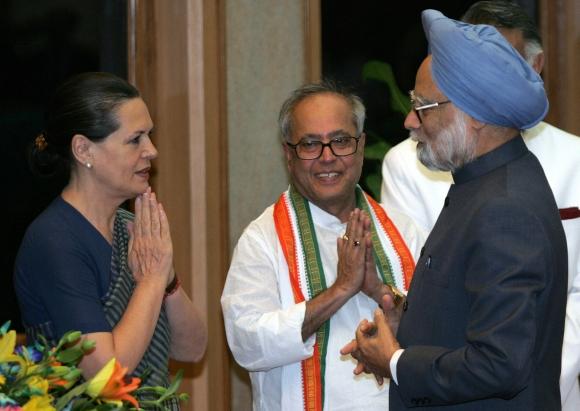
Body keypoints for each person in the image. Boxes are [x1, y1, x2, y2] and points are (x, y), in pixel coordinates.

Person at [342, 9, 567, 410]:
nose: (410, 121)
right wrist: (405, 331)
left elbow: (500, 364)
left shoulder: (505, 208)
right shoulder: (480, 183)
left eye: (424, 107)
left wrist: (397, 362)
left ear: (475, 116)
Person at [221, 81, 424, 410]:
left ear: (361, 147)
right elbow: (247, 344)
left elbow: (436, 333)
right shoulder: (262, 240)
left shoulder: (405, 231)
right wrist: (341, 289)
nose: (327, 158)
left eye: (341, 141)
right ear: (289, 155)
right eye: (310, 144)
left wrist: (379, 290)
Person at [14, 72, 207, 409]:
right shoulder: (54, 241)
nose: (152, 151)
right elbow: (106, 377)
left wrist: (168, 280)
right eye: (135, 139)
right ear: (83, 149)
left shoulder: (133, 229)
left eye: (150, 136)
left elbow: (192, 349)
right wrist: (150, 280)